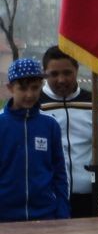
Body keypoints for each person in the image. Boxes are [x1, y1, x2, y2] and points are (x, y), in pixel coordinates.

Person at [39, 46, 98, 218]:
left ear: (77, 70)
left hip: (87, 197)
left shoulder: (95, 104)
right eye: (54, 74)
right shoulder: (35, 105)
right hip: (47, 197)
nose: (61, 79)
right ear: (44, 74)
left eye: (67, 73)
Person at [0, 58, 69, 222]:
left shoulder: (50, 125)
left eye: (35, 88)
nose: (29, 94)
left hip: (45, 215)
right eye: (23, 88)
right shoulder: (1, 124)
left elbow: (59, 172)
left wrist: (63, 211)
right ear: (10, 88)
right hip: (4, 218)